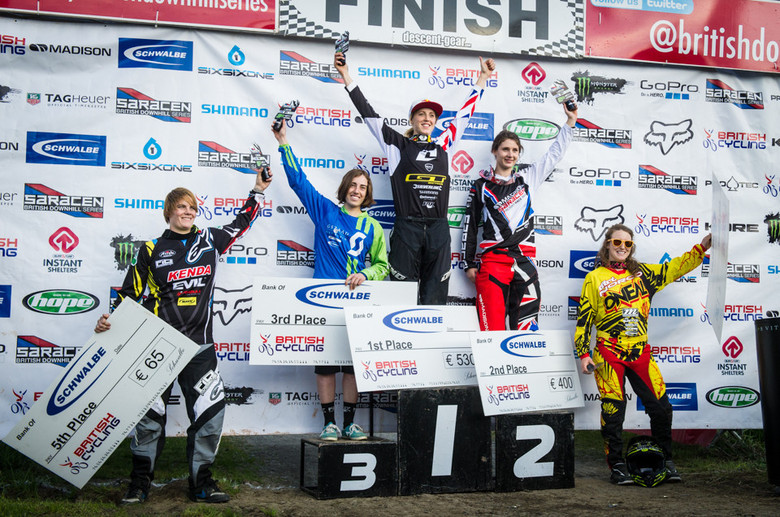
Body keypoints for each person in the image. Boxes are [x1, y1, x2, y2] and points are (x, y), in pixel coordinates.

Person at [94, 167, 272, 504]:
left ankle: (201, 484)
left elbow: (240, 224)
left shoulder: (209, 239)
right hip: (158, 347)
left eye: (192, 207)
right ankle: (139, 484)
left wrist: (257, 191)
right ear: (169, 212)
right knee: (149, 420)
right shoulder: (149, 249)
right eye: (181, 207)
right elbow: (129, 296)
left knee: (209, 415)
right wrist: (109, 322)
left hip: (200, 348)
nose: (188, 211)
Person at [334, 51, 495, 305]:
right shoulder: (396, 144)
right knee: (402, 299)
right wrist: (346, 77)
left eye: (432, 115)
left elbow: (464, 115)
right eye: (421, 114)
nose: (427, 118)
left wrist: (483, 78)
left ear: (436, 121)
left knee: (435, 298)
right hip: (406, 229)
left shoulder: (445, 143)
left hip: (438, 230)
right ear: (412, 119)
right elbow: (369, 114)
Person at [271, 120, 388, 441]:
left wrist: (365, 273)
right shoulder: (325, 211)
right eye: (353, 184)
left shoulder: (373, 228)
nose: (357, 190)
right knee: (325, 365)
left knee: (351, 366)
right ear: (345, 188)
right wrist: (283, 142)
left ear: (367, 195)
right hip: (321, 300)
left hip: (355, 304)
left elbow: (382, 265)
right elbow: (299, 181)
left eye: (363, 187)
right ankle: (328, 423)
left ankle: (350, 422)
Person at [574, 224, 711, 485]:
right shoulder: (595, 278)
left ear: (632, 247)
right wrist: (583, 353)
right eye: (617, 243)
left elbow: (675, 268)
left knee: (661, 408)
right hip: (608, 352)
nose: (622, 248)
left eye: (627, 244)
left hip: (640, 351)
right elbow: (584, 319)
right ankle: (616, 465)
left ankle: (666, 461)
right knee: (613, 410)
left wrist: (702, 247)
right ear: (607, 245)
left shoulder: (643, 273)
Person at [462, 104, 577, 331]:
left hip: (525, 261)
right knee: (491, 331)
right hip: (493, 261)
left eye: (515, 150)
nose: (510, 154)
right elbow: (470, 225)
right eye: (505, 149)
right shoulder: (481, 185)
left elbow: (554, 155)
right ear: (495, 151)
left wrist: (570, 122)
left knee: (526, 330)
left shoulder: (527, 179)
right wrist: (468, 263)